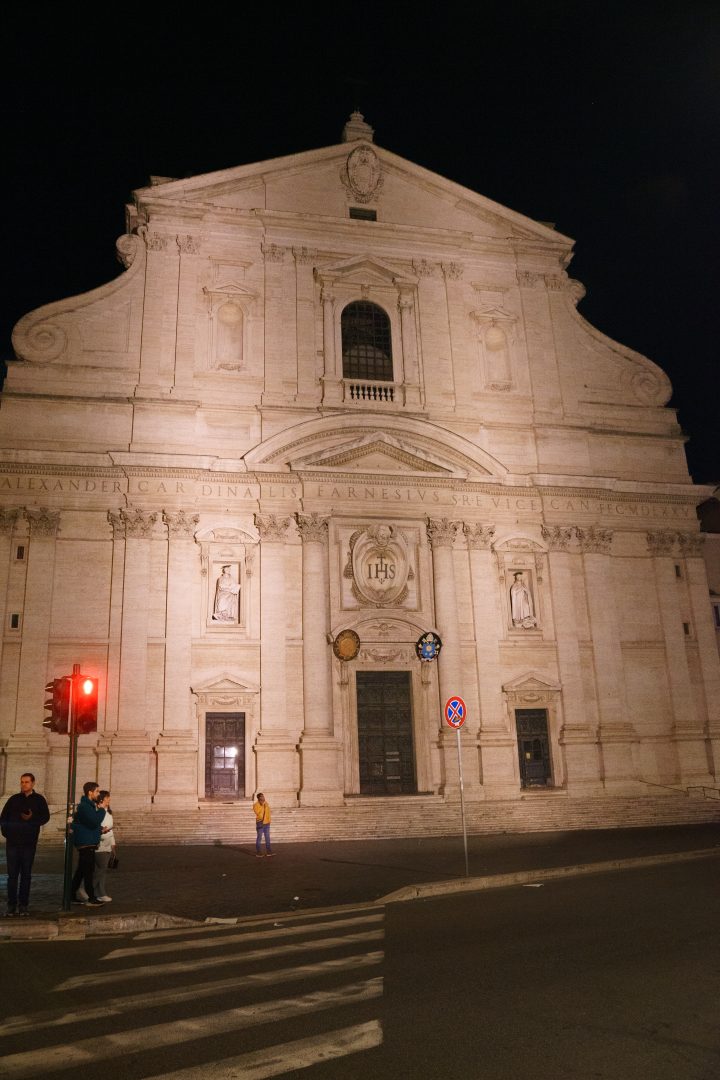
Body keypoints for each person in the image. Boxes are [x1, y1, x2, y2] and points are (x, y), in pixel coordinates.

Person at [1, 773, 50, 916]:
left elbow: (45, 817)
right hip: (12, 844)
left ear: (33, 783)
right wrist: (7, 833)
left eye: (26, 782)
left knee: (26, 875)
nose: (23, 784)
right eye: (22, 782)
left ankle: (23, 905)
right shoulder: (14, 799)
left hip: (29, 843)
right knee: (12, 876)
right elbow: (3, 817)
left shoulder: (39, 800)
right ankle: (11, 906)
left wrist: (32, 818)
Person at [71, 782, 106, 907]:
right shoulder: (85, 806)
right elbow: (94, 822)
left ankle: (71, 895)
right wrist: (102, 809)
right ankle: (91, 898)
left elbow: (89, 824)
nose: (98, 794)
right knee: (88, 872)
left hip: (88, 842)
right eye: (97, 791)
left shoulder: (89, 806)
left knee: (81, 871)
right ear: (90, 792)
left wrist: (100, 829)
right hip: (86, 844)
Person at [77, 790, 115, 903]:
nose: (109, 799)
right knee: (100, 870)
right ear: (102, 799)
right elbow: (97, 828)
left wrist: (113, 843)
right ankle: (85, 889)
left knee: (102, 871)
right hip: (100, 845)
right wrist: (103, 834)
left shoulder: (108, 812)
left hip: (107, 845)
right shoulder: (98, 812)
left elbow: (111, 830)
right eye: (107, 797)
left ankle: (101, 893)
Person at [253, 792, 273, 857]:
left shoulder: (266, 803)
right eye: (261, 796)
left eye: (263, 796)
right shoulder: (256, 805)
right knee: (259, 838)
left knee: (267, 838)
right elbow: (258, 813)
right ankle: (258, 852)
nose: (263, 797)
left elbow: (268, 813)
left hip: (267, 823)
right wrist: (262, 805)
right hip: (260, 823)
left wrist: (269, 820)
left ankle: (269, 852)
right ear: (258, 798)